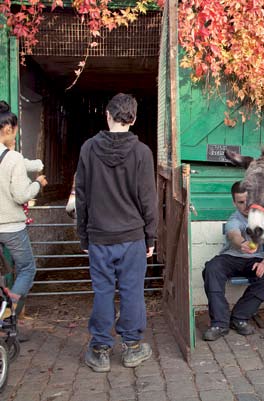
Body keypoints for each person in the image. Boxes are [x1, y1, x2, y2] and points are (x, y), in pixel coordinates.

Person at [75, 93, 158, 373]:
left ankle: (99, 350)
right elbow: (148, 199)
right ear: (133, 119)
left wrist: (83, 236)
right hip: (132, 237)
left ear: (107, 115)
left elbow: (82, 196)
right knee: (132, 292)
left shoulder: (88, 148)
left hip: (99, 236)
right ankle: (133, 348)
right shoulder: (142, 153)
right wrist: (151, 237)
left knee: (102, 292)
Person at [202, 181, 264, 341]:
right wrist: (242, 243)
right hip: (231, 257)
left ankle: (239, 318)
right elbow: (233, 234)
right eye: (240, 202)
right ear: (234, 202)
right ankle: (220, 324)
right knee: (212, 269)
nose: (245, 206)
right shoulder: (234, 219)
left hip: (255, 261)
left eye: (248, 201)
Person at [0, 100, 47, 312]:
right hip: (10, 227)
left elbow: (17, 162)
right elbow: (21, 195)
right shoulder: (13, 158)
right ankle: (8, 315)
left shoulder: (13, 157)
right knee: (27, 268)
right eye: (15, 131)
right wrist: (37, 183)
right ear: (8, 129)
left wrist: (36, 164)